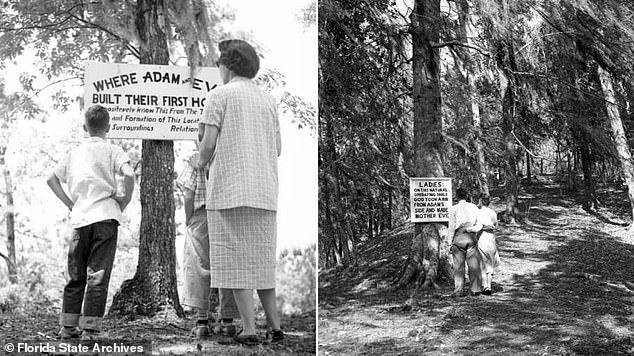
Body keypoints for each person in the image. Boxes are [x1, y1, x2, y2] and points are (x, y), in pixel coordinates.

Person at [196, 39, 283, 346]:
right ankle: (275, 326)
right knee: (261, 260)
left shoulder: (218, 96)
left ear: (228, 65)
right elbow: (278, 149)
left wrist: (197, 163)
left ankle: (248, 330)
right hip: (264, 190)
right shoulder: (268, 100)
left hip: (230, 189)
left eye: (219, 63)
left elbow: (207, 145)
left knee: (234, 261)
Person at [46, 105, 135, 340]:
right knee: (98, 274)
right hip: (106, 217)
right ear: (108, 127)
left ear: (85, 127)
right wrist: (123, 201)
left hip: (81, 218)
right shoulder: (113, 150)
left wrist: (70, 203)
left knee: (76, 274)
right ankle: (91, 330)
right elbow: (129, 174)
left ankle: (67, 327)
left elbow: (51, 178)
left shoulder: (75, 153)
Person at [176, 148, 240, 338]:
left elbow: (188, 194)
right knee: (226, 265)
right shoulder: (228, 155)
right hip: (225, 214)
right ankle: (227, 321)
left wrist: (189, 219)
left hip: (201, 215)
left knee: (199, 266)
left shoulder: (194, 159)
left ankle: (202, 321)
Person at [447, 188, 482, 297]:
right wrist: (472, 230)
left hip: (459, 236)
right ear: (467, 196)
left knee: (458, 265)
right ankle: (475, 289)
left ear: (456, 197)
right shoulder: (474, 207)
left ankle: (458, 290)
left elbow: (452, 226)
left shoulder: (453, 209)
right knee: (474, 264)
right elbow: (480, 224)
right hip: (471, 236)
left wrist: (449, 242)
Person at [476, 195, 500, 296]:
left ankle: (485, 285)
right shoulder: (492, 212)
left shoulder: (477, 212)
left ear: (481, 200)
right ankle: (489, 286)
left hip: (481, 237)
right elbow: (495, 224)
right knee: (490, 261)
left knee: (482, 261)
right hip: (490, 237)